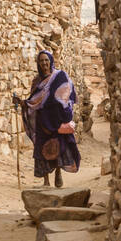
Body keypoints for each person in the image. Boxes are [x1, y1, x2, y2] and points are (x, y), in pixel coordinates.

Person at [13, 50, 80, 188]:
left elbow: (68, 92)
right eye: (41, 61)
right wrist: (21, 102)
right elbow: (33, 100)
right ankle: (46, 180)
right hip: (42, 120)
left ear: (51, 61)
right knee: (41, 147)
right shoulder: (37, 81)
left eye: (46, 60)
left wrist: (60, 104)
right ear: (38, 63)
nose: (44, 63)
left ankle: (58, 173)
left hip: (56, 119)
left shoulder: (60, 76)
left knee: (58, 146)